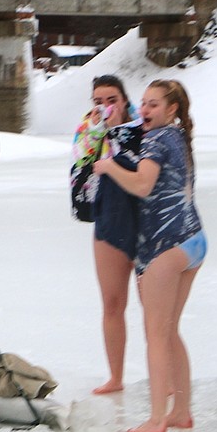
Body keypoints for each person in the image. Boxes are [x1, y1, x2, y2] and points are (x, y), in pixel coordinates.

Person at [94, 78, 204, 432]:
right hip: (193, 240)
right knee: (170, 331)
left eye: (154, 104)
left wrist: (109, 167)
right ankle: (181, 412)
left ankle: (158, 419)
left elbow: (142, 184)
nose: (145, 110)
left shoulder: (157, 138)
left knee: (156, 334)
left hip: (166, 247)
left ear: (172, 109)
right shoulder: (178, 136)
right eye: (143, 103)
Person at [70, 74, 143, 394]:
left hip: (146, 219)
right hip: (109, 218)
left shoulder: (144, 124)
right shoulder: (88, 129)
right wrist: (99, 130)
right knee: (112, 302)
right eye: (98, 100)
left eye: (111, 99)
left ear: (125, 100)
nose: (105, 106)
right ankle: (115, 376)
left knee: (154, 306)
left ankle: (164, 374)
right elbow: (81, 163)